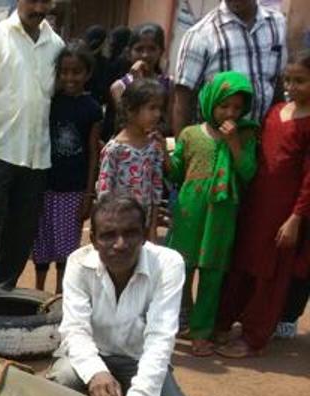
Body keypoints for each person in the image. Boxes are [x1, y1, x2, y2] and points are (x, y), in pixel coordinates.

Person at [47, 194, 203, 396]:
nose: (120, 244)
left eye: (130, 233)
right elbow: (76, 330)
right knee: (63, 381)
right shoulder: (77, 263)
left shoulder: (168, 264)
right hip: (93, 355)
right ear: (94, 241)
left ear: (144, 235)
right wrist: (96, 373)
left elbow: (160, 339)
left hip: (138, 361)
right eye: (108, 235)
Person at [0, 0, 63, 295]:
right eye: (34, 0)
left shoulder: (56, 45)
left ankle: (0, 294)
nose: (40, 7)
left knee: (21, 232)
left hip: (37, 158)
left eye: (46, 1)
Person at [215, 51, 310, 358]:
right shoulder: (276, 112)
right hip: (256, 204)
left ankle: (255, 335)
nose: (292, 86)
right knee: (243, 262)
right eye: (288, 80)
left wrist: (296, 217)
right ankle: (228, 322)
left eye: (301, 81)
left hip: (284, 210)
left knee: (270, 272)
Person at [167, 71, 257, 357]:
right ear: (209, 103)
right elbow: (178, 172)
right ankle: (175, 323)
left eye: (236, 108)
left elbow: (248, 173)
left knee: (212, 274)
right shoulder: (191, 134)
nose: (229, 113)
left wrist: (234, 145)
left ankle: (202, 332)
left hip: (221, 215)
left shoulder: (246, 135)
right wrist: (162, 155)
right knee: (179, 268)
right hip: (189, 211)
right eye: (223, 106)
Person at [32, 42, 102, 294]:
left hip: (73, 190)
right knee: (41, 245)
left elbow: (94, 152)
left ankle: (60, 296)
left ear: (87, 74)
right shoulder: (50, 103)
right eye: (64, 72)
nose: (70, 78)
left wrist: (88, 193)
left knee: (65, 248)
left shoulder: (92, 108)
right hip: (45, 185)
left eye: (76, 72)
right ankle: (38, 292)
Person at [172, 0, 287, 136]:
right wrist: (183, 152)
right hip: (216, 147)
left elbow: (277, 83)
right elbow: (183, 104)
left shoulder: (277, 24)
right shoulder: (200, 35)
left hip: (262, 142)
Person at [97, 79, 166, 237]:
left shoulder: (154, 147)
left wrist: (153, 227)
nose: (157, 114)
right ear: (130, 110)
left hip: (143, 227)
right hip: (118, 227)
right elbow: (104, 192)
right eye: (151, 108)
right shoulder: (115, 150)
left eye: (159, 109)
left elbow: (156, 190)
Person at [107, 23, 171, 137]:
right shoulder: (119, 87)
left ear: (161, 51)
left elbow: (168, 124)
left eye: (152, 49)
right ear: (129, 53)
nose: (145, 55)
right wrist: (137, 83)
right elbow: (127, 121)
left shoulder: (168, 84)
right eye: (139, 49)